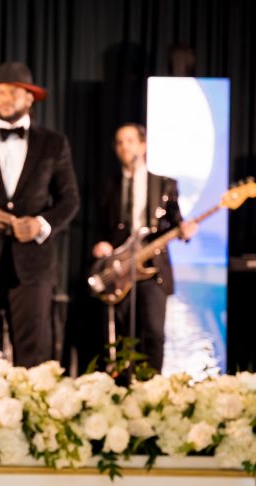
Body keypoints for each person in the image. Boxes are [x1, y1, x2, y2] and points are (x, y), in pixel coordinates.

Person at [0, 62, 80, 368]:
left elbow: (70, 199)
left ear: (29, 99)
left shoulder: (53, 142)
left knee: (33, 353)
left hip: (34, 263)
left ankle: (29, 414)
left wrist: (41, 223)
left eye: (13, 91)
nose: (5, 97)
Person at [92, 123, 196, 372]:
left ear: (143, 145)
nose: (124, 146)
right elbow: (102, 228)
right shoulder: (110, 186)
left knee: (153, 333)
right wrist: (100, 244)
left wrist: (185, 231)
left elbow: (175, 221)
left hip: (152, 267)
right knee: (123, 335)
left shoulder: (164, 185)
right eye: (119, 142)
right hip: (121, 268)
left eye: (129, 140)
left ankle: (151, 390)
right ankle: (122, 387)